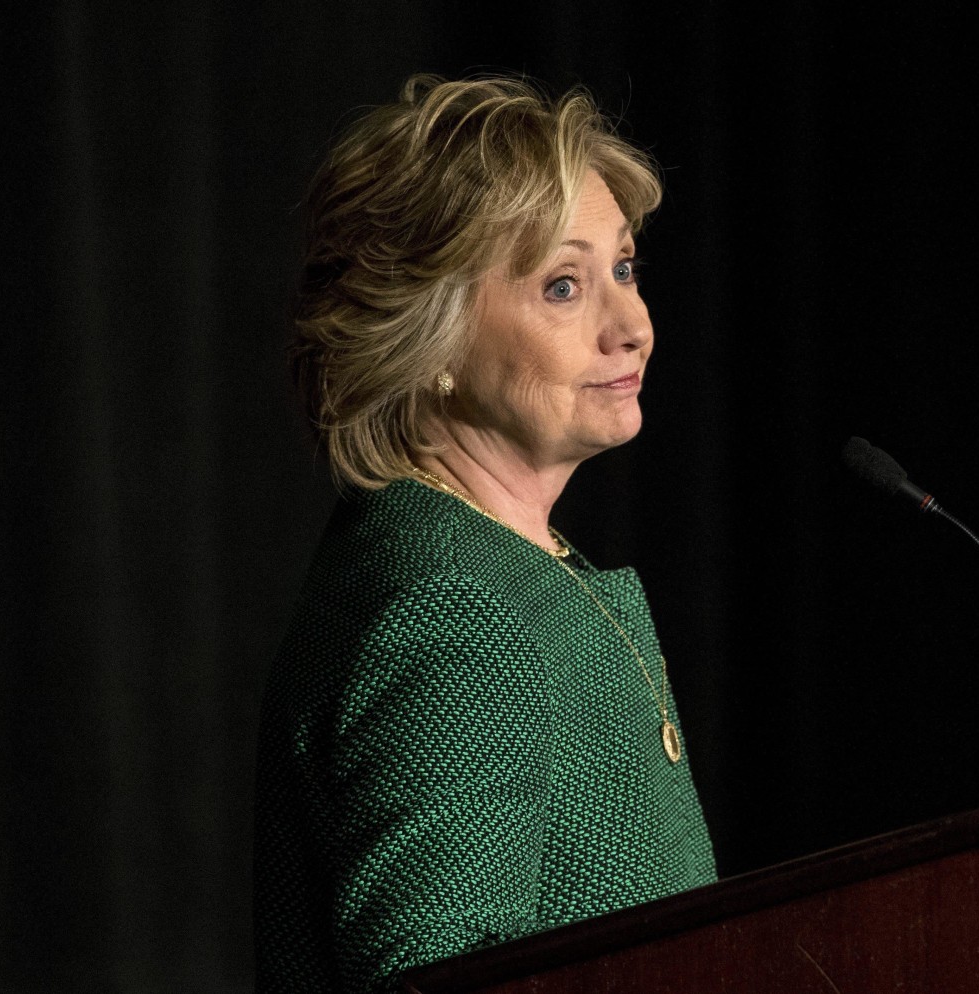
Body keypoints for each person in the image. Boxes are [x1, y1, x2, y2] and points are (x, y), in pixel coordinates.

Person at [252, 71, 718, 994]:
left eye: (624, 269)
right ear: (432, 340)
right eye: (563, 286)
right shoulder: (456, 610)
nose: (632, 326)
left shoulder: (477, 560)